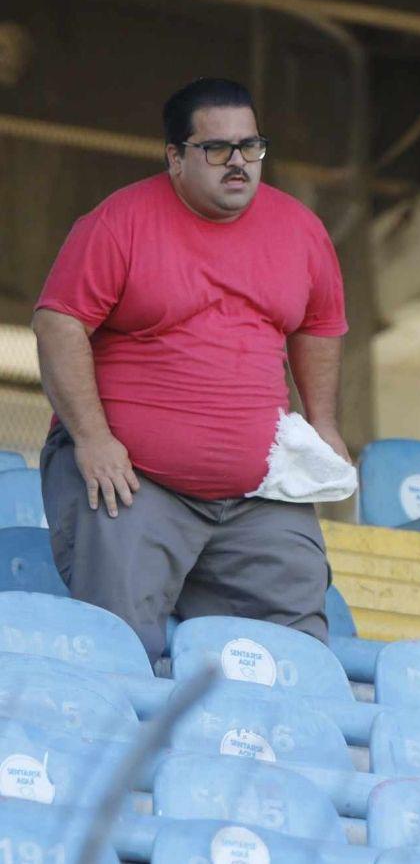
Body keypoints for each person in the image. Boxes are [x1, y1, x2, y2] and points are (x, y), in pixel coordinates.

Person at [32, 78, 350, 663]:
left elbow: (320, 325)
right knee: (119, 648)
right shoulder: (119, 221)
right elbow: (59, 323)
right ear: (175, 157)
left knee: (296, 655)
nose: (238, 163)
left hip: (259, 493)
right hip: (133, 479)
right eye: (217, 149)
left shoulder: (301, 229)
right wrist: (93, 439)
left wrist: (323, 422)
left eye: (251, 147)